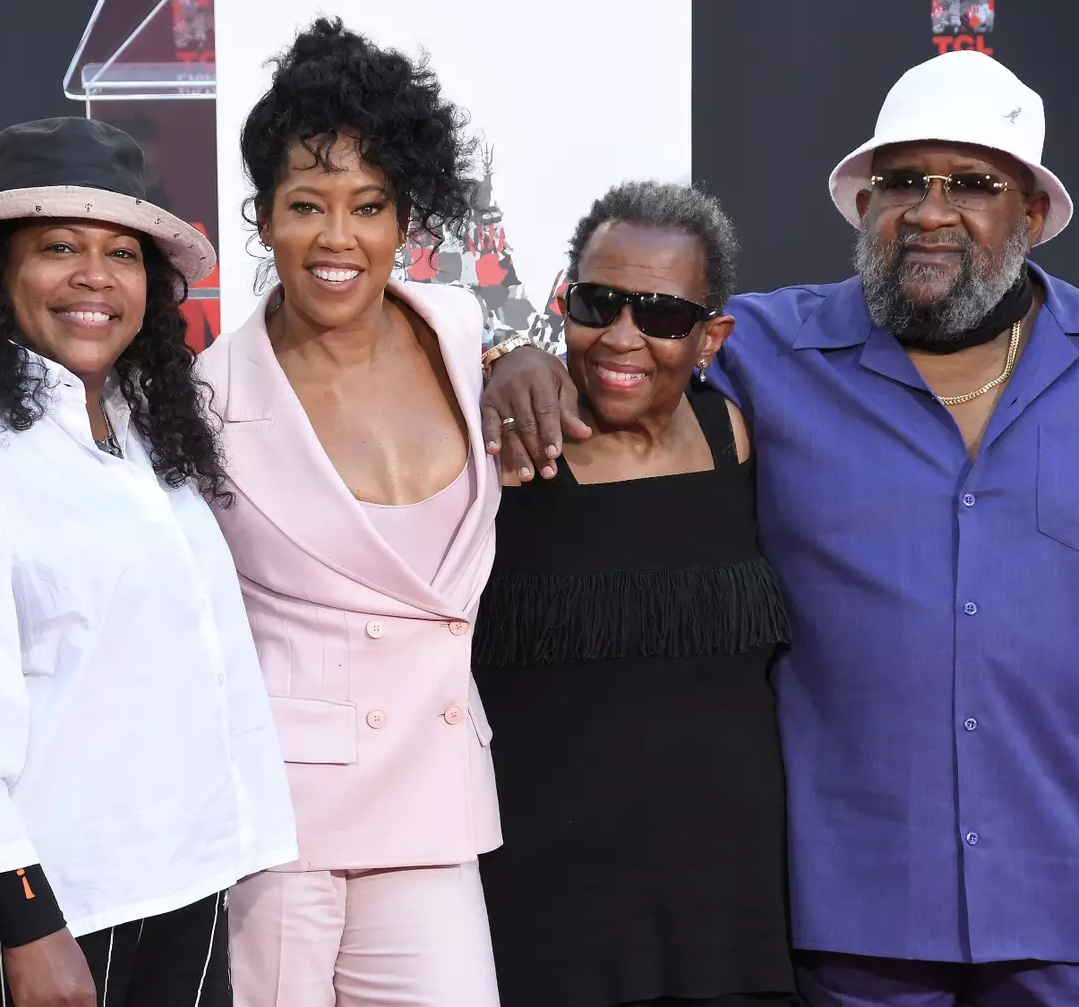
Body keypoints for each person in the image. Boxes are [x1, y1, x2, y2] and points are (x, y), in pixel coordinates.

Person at [483, 50, 1079, 1005]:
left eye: (972, 184)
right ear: (864, 206)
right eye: (901, 183)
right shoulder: (766, 347)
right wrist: (512, 354)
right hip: (855, 922)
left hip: (1060, 900)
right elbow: (632, 346)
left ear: (1033, 215)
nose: (930, 211)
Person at [0, 117, 298, 1006]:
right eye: (59, 246)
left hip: (179, 885)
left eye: (123, 253)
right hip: (31, 918)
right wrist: (28, 925)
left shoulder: (142, 420)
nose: (95, 277)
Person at [197, 19, 503, 1007]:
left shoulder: (459, 333)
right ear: (262, 218)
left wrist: (527, 359)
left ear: (404, 216)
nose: (338, 238)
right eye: (306, 206)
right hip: (283, 825)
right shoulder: (206, 396)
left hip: (432, 794)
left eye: (368, 206)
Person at [473, 180, 797, 1007]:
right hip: (544, 916)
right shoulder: (503, 452)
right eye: (599, 302)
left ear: (710, 337)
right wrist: (503, 356)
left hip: (734, 915)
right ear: (564, 303)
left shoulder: (741, 440)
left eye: (660, 316)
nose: (623, 336)